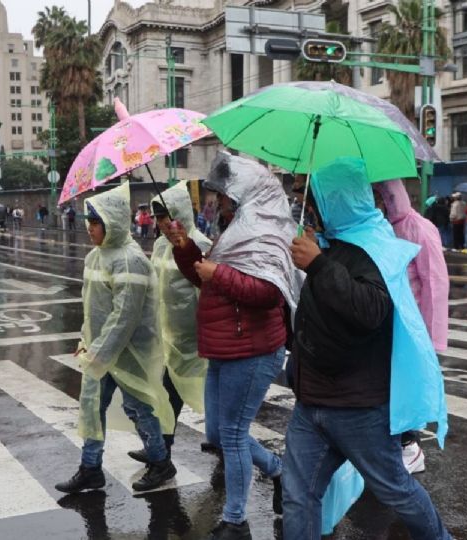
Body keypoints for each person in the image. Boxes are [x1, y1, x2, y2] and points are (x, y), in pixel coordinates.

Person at [283, 158, 450, 540]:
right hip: (312, 403)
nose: (304, 202)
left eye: (311, 194)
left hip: (359, 408)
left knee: (397, 490)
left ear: (335, 198)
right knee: (298, 496)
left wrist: (321, 265)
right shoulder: (327, 243)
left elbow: (370, 310)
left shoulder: (376, 246)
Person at [167, 152, 297, 539]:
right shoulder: (235, 229)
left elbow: (267, 293)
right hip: (224, 346)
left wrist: (217, 272)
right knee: (218, 434)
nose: (217, 201)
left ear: (242, 195)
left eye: (222, 195)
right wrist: (185, 247)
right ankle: (277, 470)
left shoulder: (263, 234)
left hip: (253, 349)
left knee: (234, 435)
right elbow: (204, 279)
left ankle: (236, 520)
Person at [55, 182, 178, 495]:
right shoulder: (96, 257)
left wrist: (99, 351)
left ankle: (161, 461)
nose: (91, 229)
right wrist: (86, 341)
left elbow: (124, 317)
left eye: (96, 223)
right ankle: (90, 468)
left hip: (129, 352)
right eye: (89, 223)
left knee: (138, 408)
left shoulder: (129, 260)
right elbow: (91, 306)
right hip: (100, 351)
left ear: (113, 223)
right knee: (92, 407)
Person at [127, 183, 215, 464]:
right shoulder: (160, 246)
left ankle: (225, 444)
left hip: (195, 340)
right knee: (167, 396)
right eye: (159, 219)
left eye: (167, 217)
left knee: (209, 396)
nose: (163, 224)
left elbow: (208, 293)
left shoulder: (199, 245)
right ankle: (162, 450)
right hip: (170, 337)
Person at [375, 179, 450, 474]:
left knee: (406, 386)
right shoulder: (384, 227)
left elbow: (435, 283)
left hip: (411, 324)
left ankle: (410, 445)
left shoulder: (418, 227)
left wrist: (432, 338)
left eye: (381, 195)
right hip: (388, 321)